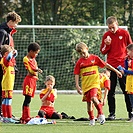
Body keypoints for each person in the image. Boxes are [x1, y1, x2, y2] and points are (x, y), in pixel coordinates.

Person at [74, 42, 122, 126]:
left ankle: (101, 114)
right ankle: (92, 118)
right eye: (80, 54)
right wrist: (77, 85)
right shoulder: (79, 62)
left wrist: (116, 71)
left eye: (84, 53)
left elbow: (106, 65)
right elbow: (76, 74)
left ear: (87, 49)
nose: (83, 55)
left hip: (95, 84)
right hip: (86, 85)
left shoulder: (94, 58)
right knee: (89, 103)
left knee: (93, 98)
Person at [100, 16, 132, 120]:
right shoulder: (106, 36)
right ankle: (112, 113)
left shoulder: (124, 33)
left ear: (117, 24)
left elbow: (130, 47)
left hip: (123, 66)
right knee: (110, 90)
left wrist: (128, 60)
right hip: (111, 66)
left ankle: (130, 113)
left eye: (113, 27)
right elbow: (103, 51)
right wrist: (107, 44)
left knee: (126, 90)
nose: (111, 30)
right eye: (109, 28)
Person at [0, 11, 21, 117]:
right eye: (16, 23)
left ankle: (5, 113)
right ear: (11, 21)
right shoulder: (2, 32)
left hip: (9, 64)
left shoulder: (8, 32)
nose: (16, 25)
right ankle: (2, 113)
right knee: (3, 90)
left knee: (5, 91)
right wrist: (4, 62)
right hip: (3, 65)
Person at [21, 42, 43, 124]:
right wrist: (37, 70)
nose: (36, 55)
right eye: (36, 53)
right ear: (31, 51)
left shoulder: (33, 59)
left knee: (29, 99)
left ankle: (26, 117)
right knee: (27, 99)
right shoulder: (26, 59)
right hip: (29, 80)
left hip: (33, 80)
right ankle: (25, 117)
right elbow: (30, 69)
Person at [0, 45, 18, 123]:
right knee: (8, 100)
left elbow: (12, 56)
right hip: (7, 82)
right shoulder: (4, 59)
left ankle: (5, 117)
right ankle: (8, 117)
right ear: (5, 53)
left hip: (8, 83)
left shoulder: (9, 60)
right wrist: (12, 52)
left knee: (6, 100)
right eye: (9, 52)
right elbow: (9, 57)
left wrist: (14, 53)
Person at [117, 44, 133, 121]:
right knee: (130, 99)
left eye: (128, 52)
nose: (127, 53)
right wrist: (125, 61)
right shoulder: (129, 60)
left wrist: (124, 71)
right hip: (129, 82)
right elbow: (126, 70)